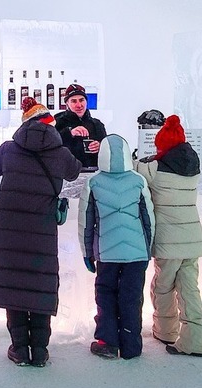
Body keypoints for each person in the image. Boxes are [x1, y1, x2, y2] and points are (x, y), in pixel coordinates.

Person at [0, 97, 82, 367]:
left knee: (14, 284)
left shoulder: (9, 149)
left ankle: (19, 349)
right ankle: (39, 350)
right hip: (42, 230)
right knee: (39, 282)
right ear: (50, 124)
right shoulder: (59, 152)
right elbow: (74, 172)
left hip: (9, 232)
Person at [133, 115, 202, 357]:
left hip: (168, 240)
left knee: (163, 286)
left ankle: (165, 331)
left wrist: (139, 157)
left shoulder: (154, 169)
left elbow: (133, 168)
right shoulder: (193, 165)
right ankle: (195, 341)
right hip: (193, 238)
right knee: (190, 289)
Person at [79, 134, 155, 360]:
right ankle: (132, 346)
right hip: (136, 253)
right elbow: (148, 218)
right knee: (132, 297)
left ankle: (108, 342)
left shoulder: (93, 182)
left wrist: (87, 253)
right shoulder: (138, 180)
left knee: (106, 295)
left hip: (107, 253)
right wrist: (147, 248)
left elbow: (86, 221)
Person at [54, 83, 107, 168]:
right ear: (67, 104)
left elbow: (107, 151)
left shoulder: (97, 125)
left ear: (86, 101)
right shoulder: (57, 123)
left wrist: (100, 146)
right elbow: (50, 146)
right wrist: (69, 133)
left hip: (93, 174)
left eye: (81, 100)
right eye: (74, 101)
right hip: (66, 175)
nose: (79, 105)